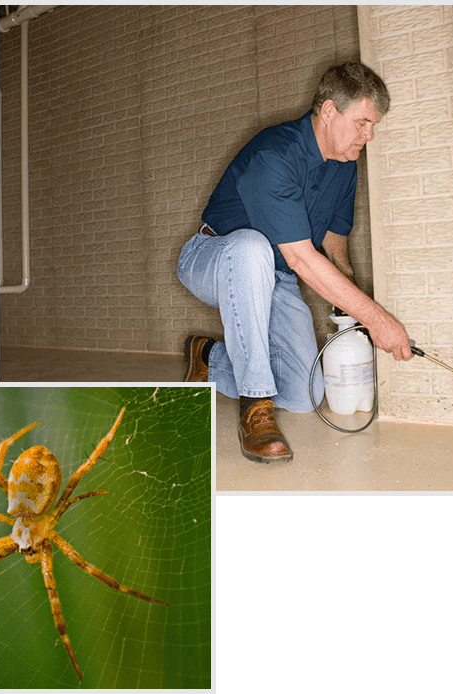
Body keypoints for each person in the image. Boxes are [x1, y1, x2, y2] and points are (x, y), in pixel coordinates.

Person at [178, 62, 412, 463]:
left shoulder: (345, 167)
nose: (368, 135)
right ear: (328, 112)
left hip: (277, 276)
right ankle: (255, 405)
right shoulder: (275, 154)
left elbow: (334, 242)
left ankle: (209, 358)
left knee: (306, 394)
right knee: (252, 247)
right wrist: (376, 318)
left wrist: (348, 307)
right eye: (362, 123)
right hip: (213, 256)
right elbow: (303, 258)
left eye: (373, 125)